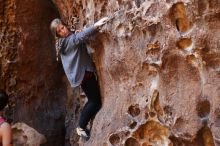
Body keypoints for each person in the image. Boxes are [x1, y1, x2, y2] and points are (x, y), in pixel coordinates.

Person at [50, 17, 109, 140]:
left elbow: (76, 36)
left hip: (81, 74)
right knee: (95, 101)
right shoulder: (66, 42)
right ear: (57, 35)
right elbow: (80, 38)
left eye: (62, 27)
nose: (63, 31)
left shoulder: (64, 41)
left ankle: (83, 125)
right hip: (84, 74)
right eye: (59, 31)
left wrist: (75, 32)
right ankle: (81, 127)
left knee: (94, 100)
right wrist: (96, 25)